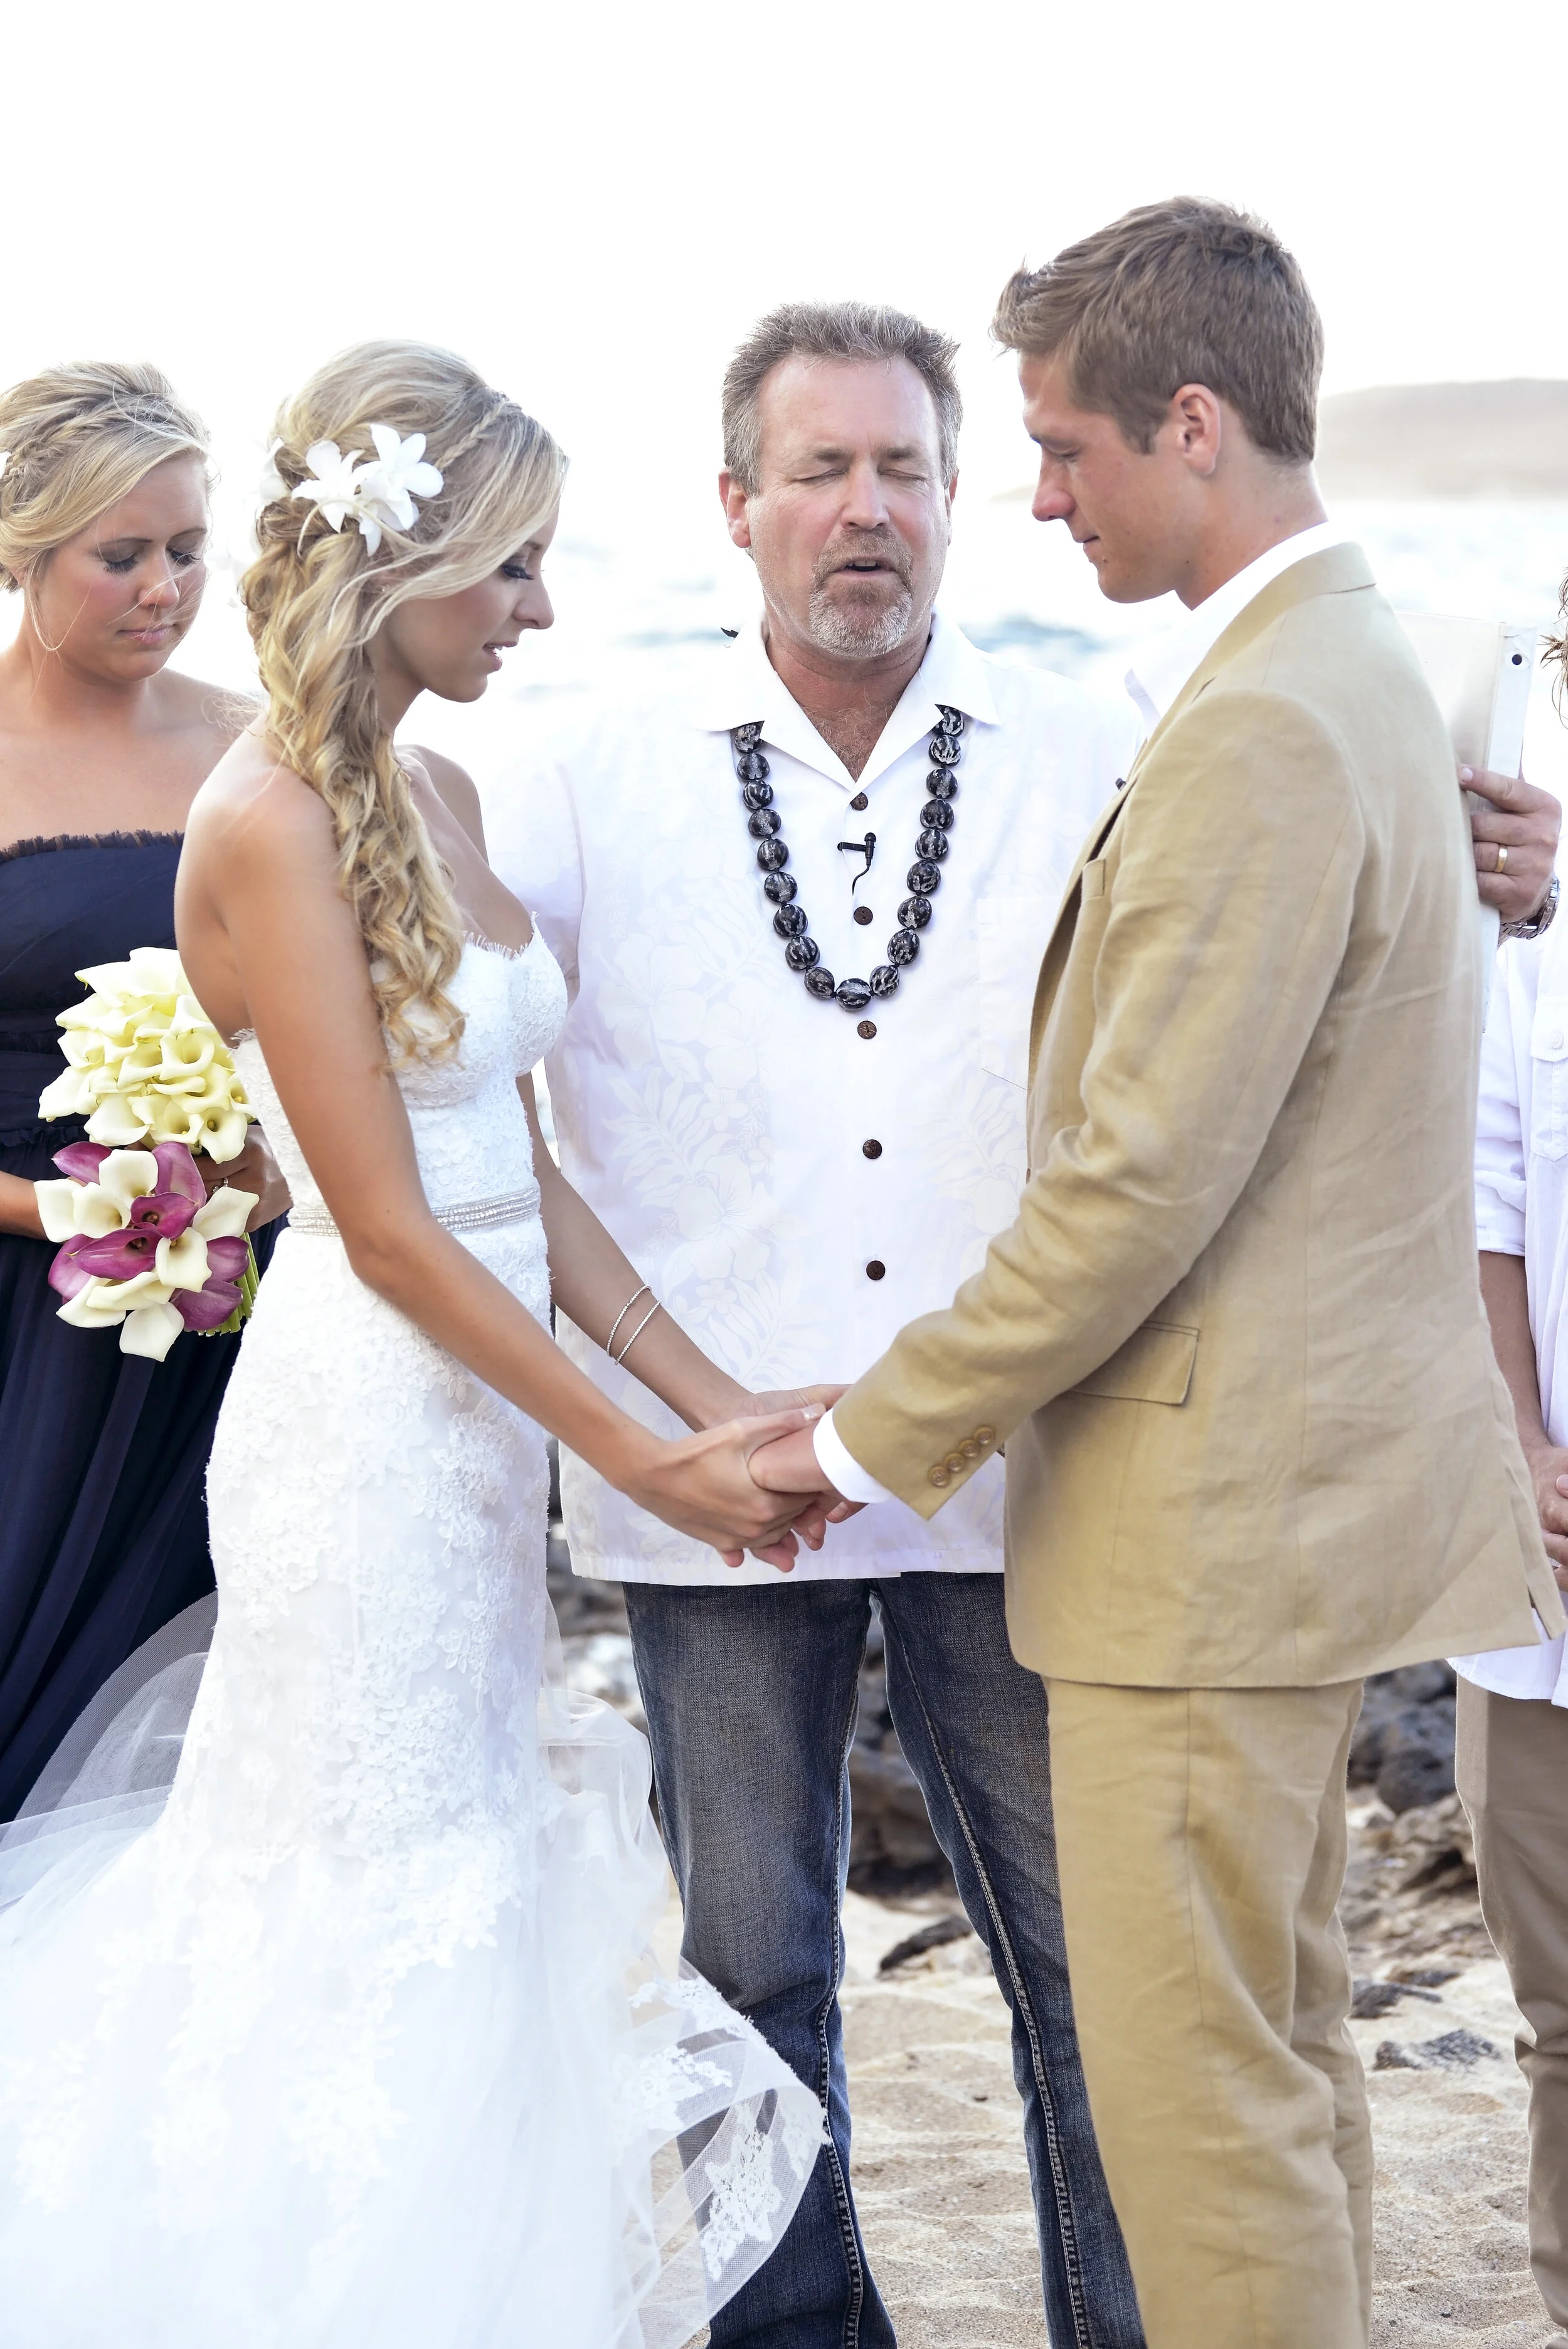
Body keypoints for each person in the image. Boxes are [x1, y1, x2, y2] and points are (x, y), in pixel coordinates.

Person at [490, 298, 1558, 2349]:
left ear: (960, 499)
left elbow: (1339, 871)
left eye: (908, 467)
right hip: (720, 1490)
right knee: (747, 1971)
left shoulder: (1126, 736)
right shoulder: (579, 765)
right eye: (821, 471)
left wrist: (1513, 859)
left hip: (1021, 1480)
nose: (866, 511)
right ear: (735, 508)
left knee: (1103, 1979)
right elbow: (421, 953)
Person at [0, 340, 835, 2348]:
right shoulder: (268, 818)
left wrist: (714, 1397)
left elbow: (515, 1174)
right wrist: (638, 1469)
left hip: (481, 1424)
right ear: (411, 561)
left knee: (457, 1842)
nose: (542, 613)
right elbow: (378, 1223)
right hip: (364, 1420)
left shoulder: (431, 789)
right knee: (368, 1881)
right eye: (517, 570)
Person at [0, 363, 287, 1823]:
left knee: (207, 1693)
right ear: (21, 550)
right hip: (22, 1303)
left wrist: (264, 1182)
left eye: (187, 548)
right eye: (123, 556)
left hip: (233, 1290)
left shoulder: (255, 739)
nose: (167, 587)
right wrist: (51, 1206)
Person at [1456, 583, 1568, 2340]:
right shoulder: (1526, 931)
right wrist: (1515, 1440)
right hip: (1538, 1565)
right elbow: (1477, 1198)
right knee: (1557, 2007)